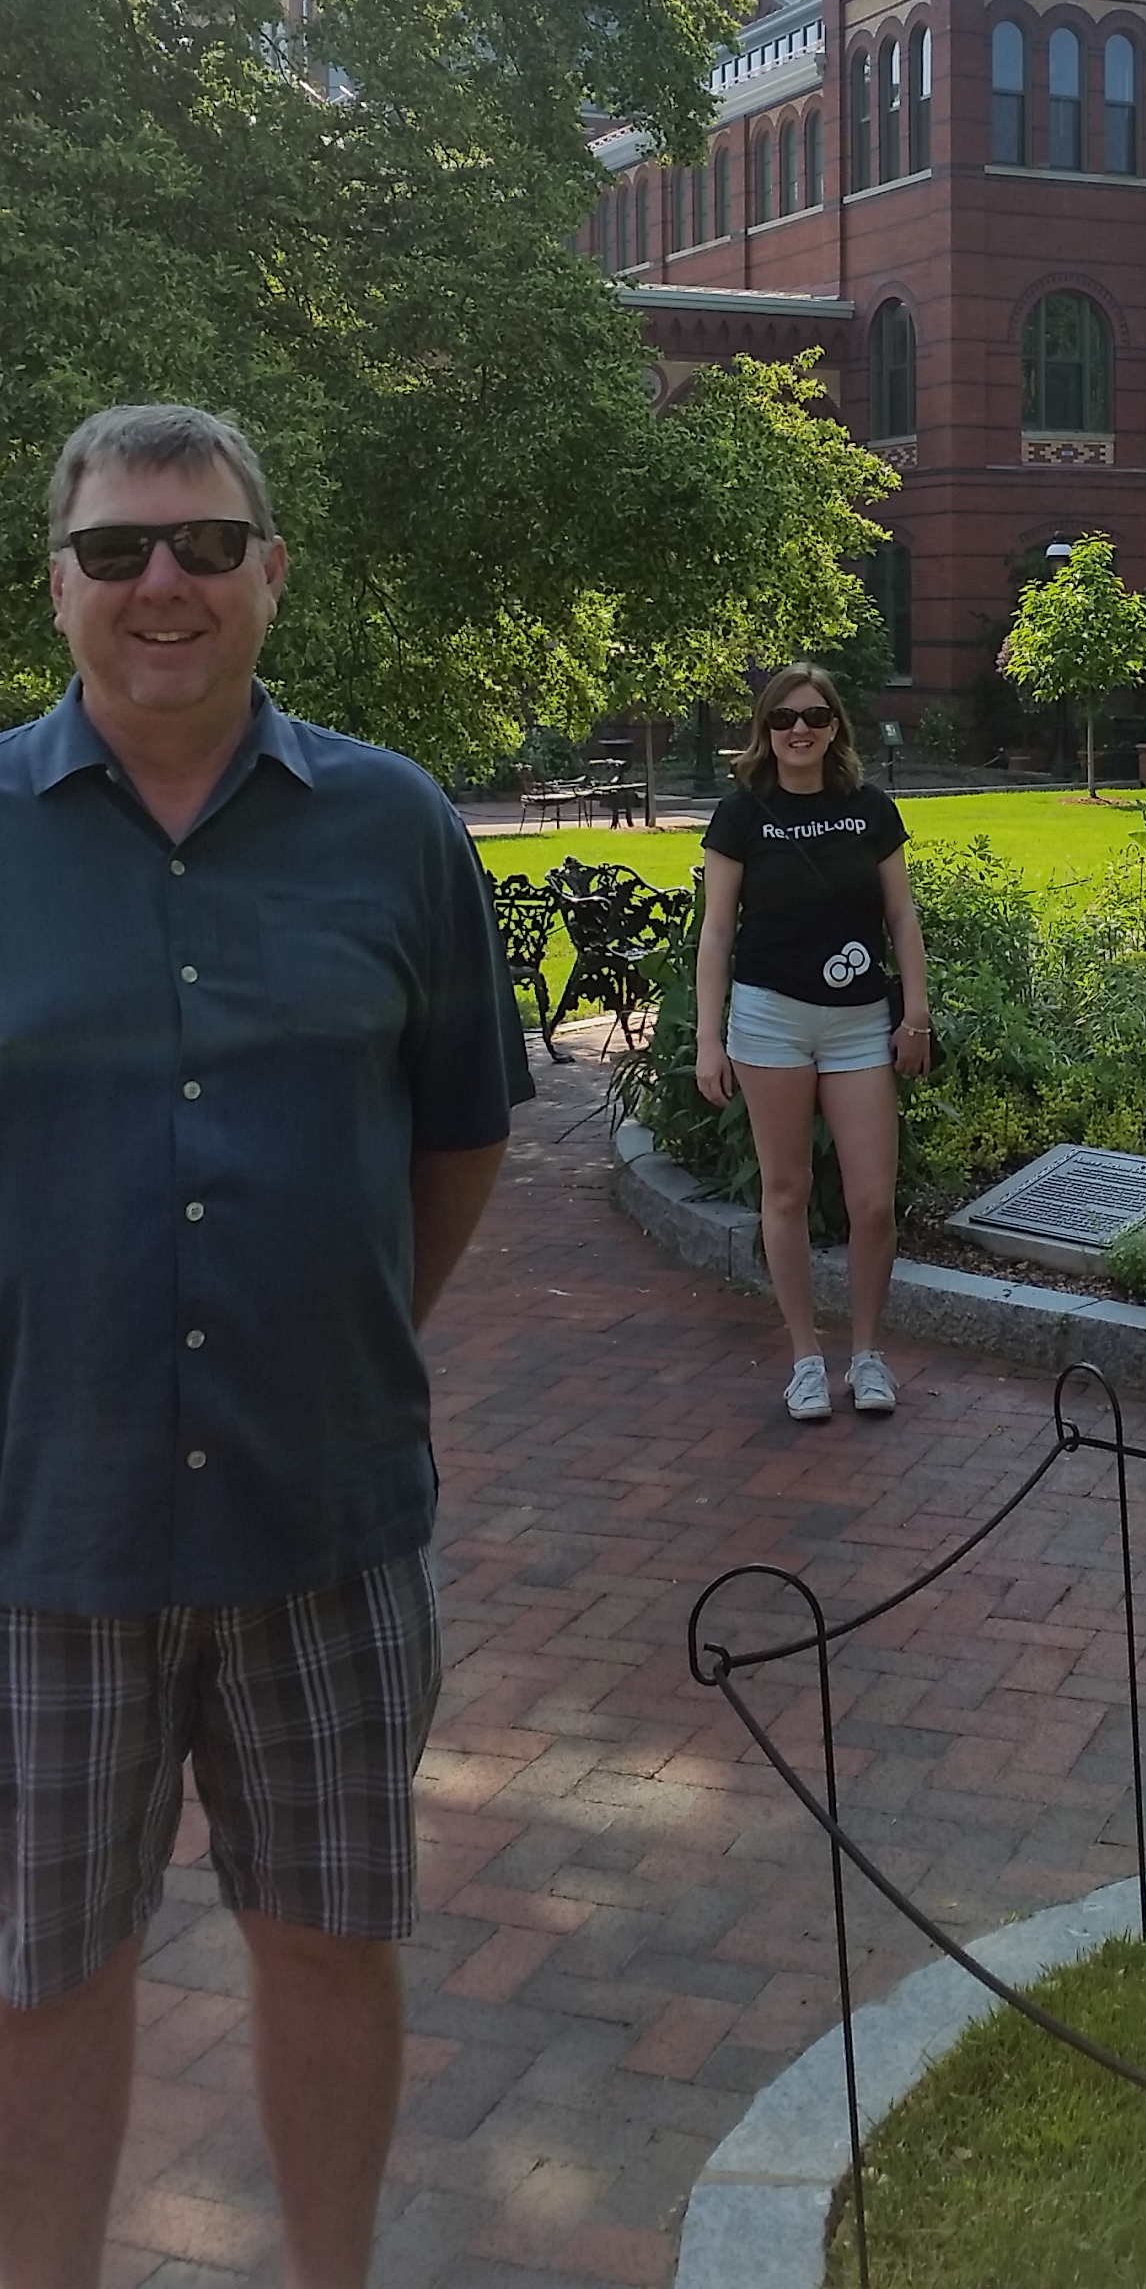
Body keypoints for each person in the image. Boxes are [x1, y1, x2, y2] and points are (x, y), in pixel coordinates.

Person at [0, 402, 534, 2289]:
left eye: (208, 545)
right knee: (42, 1975)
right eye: (118, 549)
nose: (165, 582)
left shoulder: (393, 826)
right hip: (40, 1537)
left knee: (329, 1940)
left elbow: (461, 1134)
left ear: (272, 571)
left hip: (326, 1522)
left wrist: (348, 1339)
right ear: (55, 582)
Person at [695, 664, 932, 1421]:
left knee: (871, 1202)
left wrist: (916, 1014)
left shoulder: (870, 810)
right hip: (770, 1019)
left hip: (859, 1021)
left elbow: (901, 917)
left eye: (815, 717)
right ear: (765, 729)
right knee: (787, 1190)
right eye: (784, 718)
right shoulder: (741, 814)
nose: (799, 730)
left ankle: (867, 1355)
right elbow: (717, 932)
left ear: (835, 728)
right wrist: (708, 1038)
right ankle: (804, 1360)